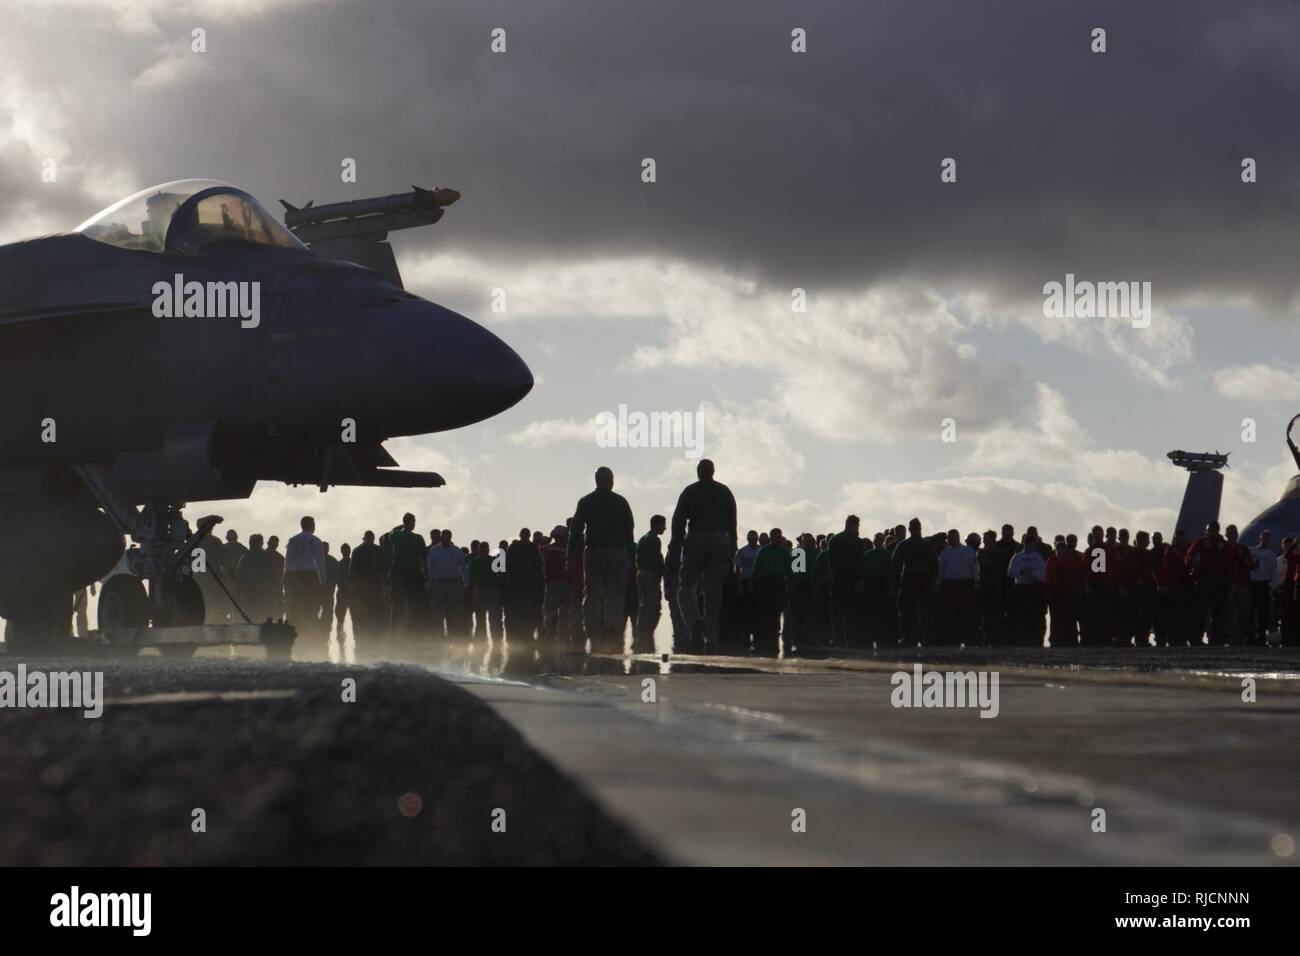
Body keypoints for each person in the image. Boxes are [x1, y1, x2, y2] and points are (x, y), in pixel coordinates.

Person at [670, 459, 738, 651]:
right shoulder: (725, 492)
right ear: (713, 471)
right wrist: (732, 549)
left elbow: (678, 520)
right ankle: (712, 635)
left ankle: (695, 623)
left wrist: (677, 543)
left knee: (686, 587)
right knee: (713, 590)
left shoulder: (690, 491)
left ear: (698, 472)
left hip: (696, 537)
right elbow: (732, 523)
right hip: (720, 539)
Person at [567, 467, 636, 648]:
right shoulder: (620, 502)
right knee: (614, 594)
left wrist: (570, 555)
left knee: (592, 594)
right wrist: (631, 556)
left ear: (596, 480)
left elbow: (575, 530)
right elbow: (630, 529)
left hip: (594, 552)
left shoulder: (586, 501)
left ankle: (592, 632)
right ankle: (612, 629)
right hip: (617, 553)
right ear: (611, 480)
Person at [891, 517, 937, 646]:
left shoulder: (903, 545)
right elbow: (935, 565)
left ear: (910, 529)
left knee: (906, 611)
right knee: (925, 610)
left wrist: (896, 582)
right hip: (925, 578)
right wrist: (932, 581)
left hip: (909, 579)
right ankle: (926, 638)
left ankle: (908, 638)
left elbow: (895, 565)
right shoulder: (928, 545)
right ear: (920, 528)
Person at [284, 516, 327, 641]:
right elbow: (321, 563)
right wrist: (323, 582)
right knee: (310, 609)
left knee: (293, 610)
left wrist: (285, 580)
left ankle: (294, 638)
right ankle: (308, 638)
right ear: (312, 525)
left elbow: (287, 562)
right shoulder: (315, 541)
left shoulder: (292, 540)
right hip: (309, 577)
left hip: (293, 577)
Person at [933, 528, 978, 644]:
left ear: (956, 537)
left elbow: (974, 568)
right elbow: (941, 570)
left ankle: (968, 638)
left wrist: (977, 580)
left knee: (966, 612)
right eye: (948, 537)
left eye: (950, 537)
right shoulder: (945, 552)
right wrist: (937, 584)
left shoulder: (968, 551)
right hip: (949, 585)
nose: (948, 539)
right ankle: (953, 638)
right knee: (951, 612)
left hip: (965, 584)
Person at [827, 517, 866, 647]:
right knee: (852, 611)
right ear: (854, 525)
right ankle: (851, 637)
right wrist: (860, 579)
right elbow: (861, 563)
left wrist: (834, 575)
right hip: (853, 579)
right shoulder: (858, 542)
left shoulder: (834, 540)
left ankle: (837, 637)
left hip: (838, 578)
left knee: (837, 610)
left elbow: (831, 561)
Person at [751, 528, 791, 654]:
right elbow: (756, 567)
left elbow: (789, 568)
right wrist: (753, 582)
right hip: (765, 581)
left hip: (778, 581)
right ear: (771, 537)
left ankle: (774, 633)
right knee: (764, 609)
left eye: (780, 537)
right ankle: (765, 635)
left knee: (777, 608)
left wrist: (790, 583)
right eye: (776, 537)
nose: (778, 539)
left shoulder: (783, 551)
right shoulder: (764, 550)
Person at [387, 513, 427, 635]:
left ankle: (394, 632)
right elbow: (424, 557)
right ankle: (413, 632)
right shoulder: (418, 538)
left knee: (396, 605)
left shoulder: (396, 535)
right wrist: (425, 574)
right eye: (414, 522)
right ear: (412, 522)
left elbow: (391, 532)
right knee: (415, 605)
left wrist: (402, 525)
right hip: (414, 574)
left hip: (399, 574)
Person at [1007, 533, 1048, 645]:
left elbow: (1043, 573)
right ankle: (1021, 639)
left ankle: (1037, 640)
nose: (1029, 544)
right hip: (1021, 587)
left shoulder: (1038, 557)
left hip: (1035, 588)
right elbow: (1010, 572)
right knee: (1020, 614)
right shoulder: (1017, 557)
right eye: (1027, 542)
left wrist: (1034, 575)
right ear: (1024, 543)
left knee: (1036, 615)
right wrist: (1022, 572)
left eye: (1031, 542)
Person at [506, 528, 544, 643]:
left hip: (529, 586)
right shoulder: (514, 547)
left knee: (528, 612)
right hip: (516, 586)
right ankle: (518, 637)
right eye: (524, 535)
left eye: (526, 535)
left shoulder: (532, 548)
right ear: (520, 535)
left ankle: (527, 636)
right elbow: (507, 565)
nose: (525, 537)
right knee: (517, 611)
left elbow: (539, 565)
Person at [1045, 536, 1085, 649]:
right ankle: (1055, 640)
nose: (1060, 550)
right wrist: (1048, 591)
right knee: (1056, 618)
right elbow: (1048, 577)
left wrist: (1078, 589)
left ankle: (1071, 640)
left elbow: (1077, 575)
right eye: (1059, 548)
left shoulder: (1072, 560)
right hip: (1055, 593)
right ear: (1056, 549)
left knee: (1070, 618)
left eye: (1062, 548)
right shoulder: (1051, 560)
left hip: (1069, 592)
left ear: (1065, 549)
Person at [428, 528, 467, 639]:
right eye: (444, 537)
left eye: (448, 537)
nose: (446, 539)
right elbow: (430, 567)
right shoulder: (434, 550)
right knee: (438, 613)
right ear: (441, 537)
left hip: (454, 583)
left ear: (450, 537)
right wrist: (431, 582)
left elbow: (463, 568)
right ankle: (439, 639)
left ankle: (454, 638)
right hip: (438, 584)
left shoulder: (456, 550)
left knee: (454, 612)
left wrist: (466, 584)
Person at [635, 515, 667, 649]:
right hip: (650, 575)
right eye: (663, 525)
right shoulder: (654, 540)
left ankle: (642, 636)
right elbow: (657, 560)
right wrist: (664, 573)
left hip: (642, 574)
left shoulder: (643, 539)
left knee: (645, 606)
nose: (664, 528)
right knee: (652, 607)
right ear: (657, 525)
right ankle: (645, 637)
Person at [236, 534, 280, 624]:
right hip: (260, 593)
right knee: (262, 617)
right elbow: (274, 577)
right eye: (252, 542)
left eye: (253, 542)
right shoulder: (267, 557)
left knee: (253, 617)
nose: (252, 544)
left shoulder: (245, 557)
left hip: (253, 593)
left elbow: (240, 577)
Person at [542, 526, 575, 641]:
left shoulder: (547, 549)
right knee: (565, 611)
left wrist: (548, 538)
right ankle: (564, 636)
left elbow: (540, 547)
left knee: (550, 611)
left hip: (551, 584)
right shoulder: (569, 550)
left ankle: (550, 635)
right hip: (565, 583)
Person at [468, 540, 504, 640]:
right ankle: (481, 640)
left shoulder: (494, 561)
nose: (484, 550)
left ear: (488, 549)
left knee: (494, 618)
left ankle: (495, 639)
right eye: (482, 548)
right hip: (479, 589)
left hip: (492, 590)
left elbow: (501, 576)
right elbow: (470, 578)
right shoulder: (474, 562)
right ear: (479, 550)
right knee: (480, 617)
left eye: (486, 548)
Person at [1248, 530, 1277, 647]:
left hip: (1263, 584)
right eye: (1263, 538)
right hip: (1252, 584)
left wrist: (1274, 587)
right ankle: (1249, 636)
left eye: (1267, 538)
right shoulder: (1251, 551)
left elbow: (1273, 572)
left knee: (1263, 612)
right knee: (1250, 611)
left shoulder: (1272, 554)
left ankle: (1261, 636)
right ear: (1260, 538)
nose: (1265, 540)